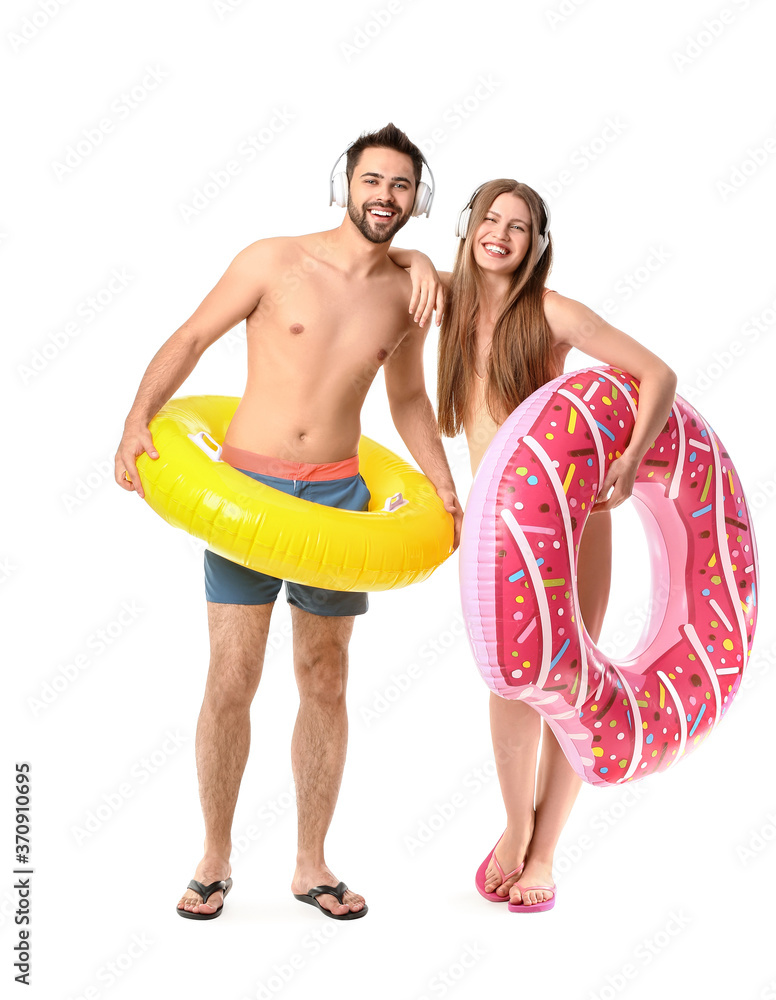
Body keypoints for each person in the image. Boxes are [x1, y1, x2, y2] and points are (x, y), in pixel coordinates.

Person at [114, 123, 461, 921]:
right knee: (233, 676)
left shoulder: (409, 293)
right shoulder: (273, 259)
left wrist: (442, 485)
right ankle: (214, 855)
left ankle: (311, 864)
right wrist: (139, 417)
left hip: (340, 498)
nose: (386, 197)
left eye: (402, 186)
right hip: (246, 496)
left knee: (326, 679)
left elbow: (406, 399)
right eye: (374, 181)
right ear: (347, 183)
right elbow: (193, 335)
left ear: (418, 199)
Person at [435, 179, 677, 910]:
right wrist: (417, 267)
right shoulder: (447, 303)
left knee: (570, 682)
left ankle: (542, 854)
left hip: (575, 522)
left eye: (519, 225)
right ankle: (515, 826)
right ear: (469, 226)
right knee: (510, 678)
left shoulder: (551, 312)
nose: (501, 234)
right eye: (490, 219)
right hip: (494, 526)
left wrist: (630, 461)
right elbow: (404, 274)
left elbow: (658, 375)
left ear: (537, 243)